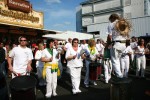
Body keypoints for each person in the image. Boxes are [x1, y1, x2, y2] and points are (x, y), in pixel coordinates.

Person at [107, 13, 130, 78]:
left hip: (116, 44)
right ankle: (121, 74)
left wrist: (108, 44)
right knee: (118, 60)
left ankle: (120, 76)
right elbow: (127, 34)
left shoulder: (111, 24)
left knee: (114, 61)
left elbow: (109, 36)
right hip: (123, 44)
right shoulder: (123, 23)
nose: (110, 21)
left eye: (110, 19)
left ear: (112, 18)